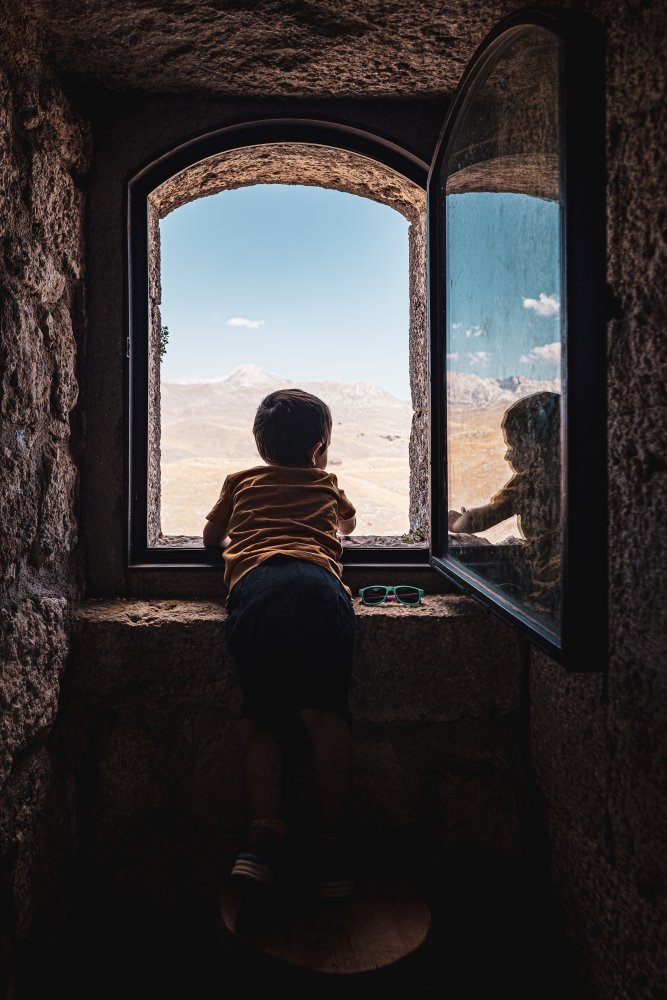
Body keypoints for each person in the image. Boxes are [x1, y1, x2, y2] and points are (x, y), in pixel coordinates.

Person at [202, 388, 357, 910]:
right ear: (318, 449)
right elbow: (348, 525)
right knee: (326, 720)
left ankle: (264, 843)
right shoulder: (326, 483)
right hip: (317, 589)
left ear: (259, 443)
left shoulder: (240, 482)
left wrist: (232, 547)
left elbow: (210, 537)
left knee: (267, 721)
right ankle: (333, 847)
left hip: (257, 591)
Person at [448, 391, 561, 623]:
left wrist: (454, 523)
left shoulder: (530, 481)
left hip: (549, 582)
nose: (507, 455)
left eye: (514, 445)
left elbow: (479, 520)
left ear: (537, 445)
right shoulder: (565, 475)